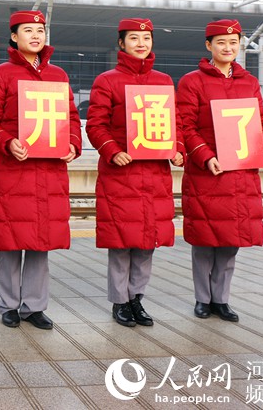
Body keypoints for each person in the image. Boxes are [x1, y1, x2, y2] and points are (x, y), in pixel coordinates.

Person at [0, 10, 81, 330]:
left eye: (40, 30)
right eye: (28, 30)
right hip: (14, 171)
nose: (36, 36)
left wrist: (73, 145)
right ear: (13, 36)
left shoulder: (58, 76)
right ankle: (8, 304)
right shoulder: (1, 74)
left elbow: (71, 119)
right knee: (11, 241)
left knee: (40, 243)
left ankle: (34, 306)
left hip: (49, 174)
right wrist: (7, 141)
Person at [86, 18, 184, 328]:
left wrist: (178, 148)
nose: (141, 43)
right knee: (121, 242)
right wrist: (113, 150)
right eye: (134, 38)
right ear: (121, 43)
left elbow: (175, 124)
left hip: (154, 176)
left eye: (146, 38)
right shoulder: (107, 80)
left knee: (146, 243)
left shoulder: (164, 81)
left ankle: (137, 299)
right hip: (121, 173)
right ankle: (119, 301)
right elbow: (95, 125)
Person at [177, 19, 263, 322]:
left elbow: (259, 124)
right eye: (220, 43)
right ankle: (202, 299)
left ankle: (222, 299)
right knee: (206, 240)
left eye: (233, 43)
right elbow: (186, 126)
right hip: (208, 172)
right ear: (209, 46)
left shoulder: (249, 82)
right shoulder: (192, 81)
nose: (227, 48)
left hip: (240, 174)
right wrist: (204, 156)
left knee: (231, 241)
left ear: (239, 45)